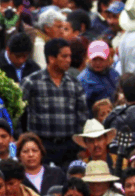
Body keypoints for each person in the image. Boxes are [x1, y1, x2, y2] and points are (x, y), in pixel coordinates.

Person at [20, 38, 90, 166]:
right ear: (51, 58)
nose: (69, 60)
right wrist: (21, 138)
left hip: (69, 147)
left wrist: (81, 146)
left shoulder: (74, 84)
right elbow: (17, 112)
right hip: (41, 146)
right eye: (64, 56)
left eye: (70, 56)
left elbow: (82, 117)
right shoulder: (31, 82)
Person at [79, 41, 120, 109]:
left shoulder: (114, 74)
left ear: (108, 59)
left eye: (101, 59)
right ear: (89, 59)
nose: (98, 63)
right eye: (94, 59)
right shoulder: (83, 80)